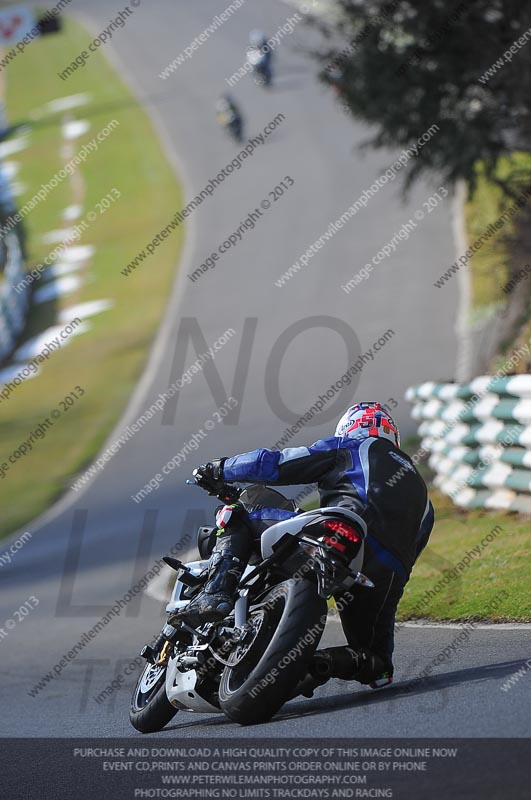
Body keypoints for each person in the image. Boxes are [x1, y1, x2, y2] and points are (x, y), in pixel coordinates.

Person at [174, 402, 434, 688]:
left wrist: (220, 469)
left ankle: (216, 592)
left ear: (350, 429)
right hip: (384, 576)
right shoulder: (425, 497)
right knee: (378, 665)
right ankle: (313, 665)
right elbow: (413, 553)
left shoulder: (351, 447)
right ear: (393, 437)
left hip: (337, 530)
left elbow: (277, 463)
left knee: (237, 514)